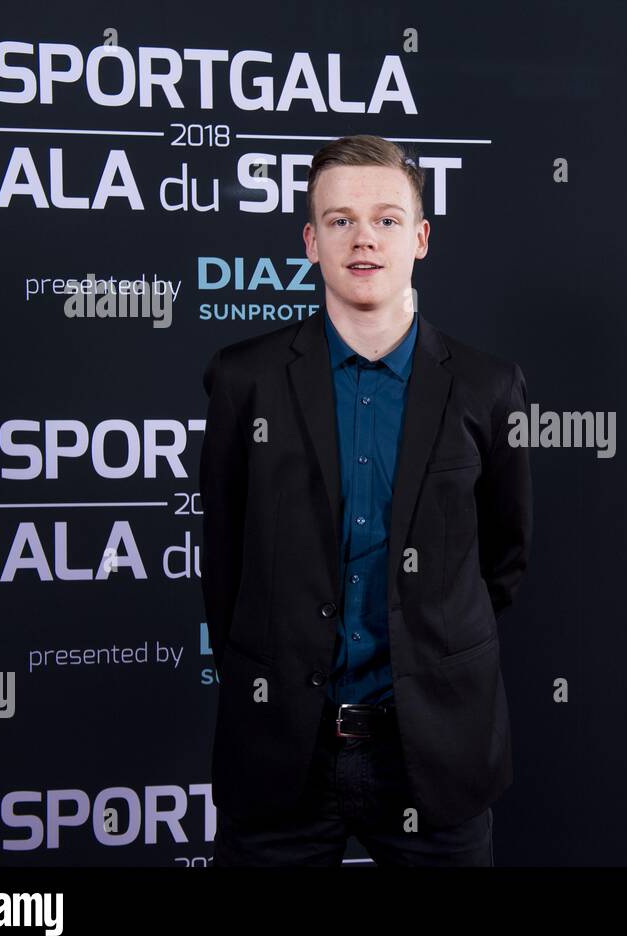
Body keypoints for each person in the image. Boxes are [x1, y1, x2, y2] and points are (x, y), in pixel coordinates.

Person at [198, 134, 532, 865]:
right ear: (312, 241)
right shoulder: (242, 380)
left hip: (434, 748)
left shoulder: (487, 387)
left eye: (385, 219)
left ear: (420, 236)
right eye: (341, 220)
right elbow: (224, 565)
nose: (364, 239)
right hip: (285, 748)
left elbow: (503, 560)